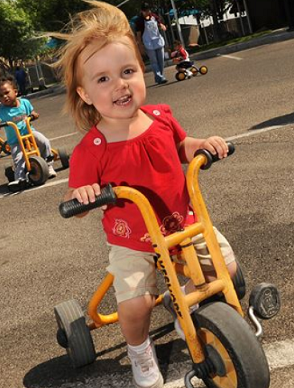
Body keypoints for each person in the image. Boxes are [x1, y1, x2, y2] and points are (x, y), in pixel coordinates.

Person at [52, 3, 236, 388]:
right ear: (85, 94)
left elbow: (183, 145)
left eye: (127, 72)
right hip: (133, 240)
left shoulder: (161, 118)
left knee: (227, 269)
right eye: (103, 80)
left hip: (182, 223)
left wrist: (205, 144)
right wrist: (84, 194)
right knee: (135, 305)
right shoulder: (92, 148)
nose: (119, 85)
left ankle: (187, 302)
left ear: (142, 70)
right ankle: (139, 350)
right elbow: (79, 201)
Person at [0, 75, 56, 190]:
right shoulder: (2, 111)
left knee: (44, 141)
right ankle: (20, 179)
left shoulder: (25, 103)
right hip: (15, 140)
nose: (5, 97)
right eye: (1, 96)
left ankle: (48, 166)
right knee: (19, 158)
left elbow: (33, 113)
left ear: (15, 92)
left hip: (30, 133)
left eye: (6, 92)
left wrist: (35, 115)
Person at [135, 3, 168, 85]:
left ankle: (159, 76)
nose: (147, 12)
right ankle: (160, 77)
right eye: (145, 10)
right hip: (148, 42)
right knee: (154, 61)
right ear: (142, 11)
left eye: (148, 10)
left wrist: (162, 26)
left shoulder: (154, 16)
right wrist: (140, 46)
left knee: (161, 60)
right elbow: (138, 35)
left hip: (158, 40)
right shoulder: (139, 21)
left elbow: (160, 24)